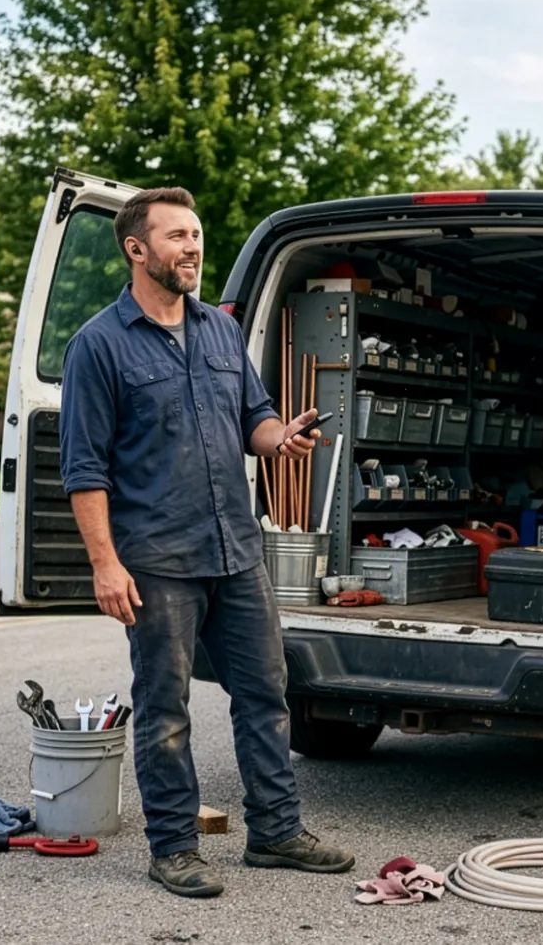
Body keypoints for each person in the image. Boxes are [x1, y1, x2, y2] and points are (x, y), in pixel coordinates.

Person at [59, 186, 354, 898]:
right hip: (158, 559)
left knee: (266, 693)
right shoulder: (98, 345)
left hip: (237, 549)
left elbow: (252, 417)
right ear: (137, 249)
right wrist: (105, 563)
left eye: (195, 234)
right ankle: (174, 849)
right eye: (176, 237)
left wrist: (279, 438)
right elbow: (84, 469)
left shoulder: (221, 331)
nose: (192, 247)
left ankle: (277, 831)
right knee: (165, 708)